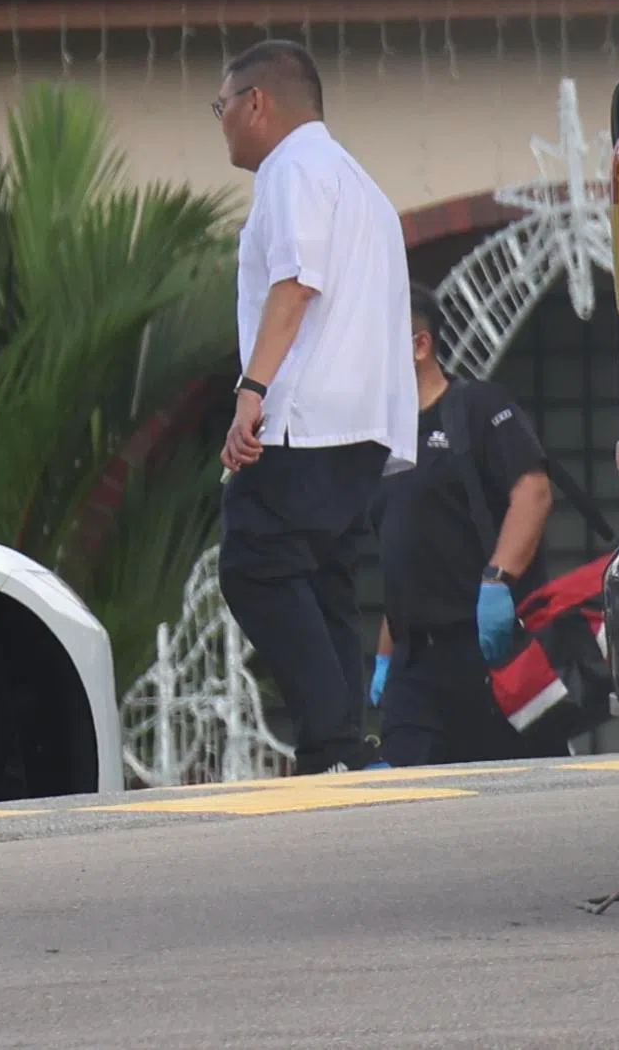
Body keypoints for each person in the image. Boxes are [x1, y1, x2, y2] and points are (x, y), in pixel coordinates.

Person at [212, 40, 417, 775]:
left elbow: (295, 284)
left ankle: (329, 737)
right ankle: (340, 744)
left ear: (256, 103)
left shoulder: (291, 170)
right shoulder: (356, 181)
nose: (223, 122)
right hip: (364, 417)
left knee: (254, 563)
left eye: (222, 106)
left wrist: (253, 390)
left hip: (309, 413)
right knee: (323, 573)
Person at [371, 285, 563, 767]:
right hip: (414, 665)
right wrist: (385, 655)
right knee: (398, 796)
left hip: (485, 647)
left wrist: (497, 582)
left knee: (519, 794)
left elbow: (533, 492)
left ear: (420, 345)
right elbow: (401, 553)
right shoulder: (382, 441)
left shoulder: (476, 408)